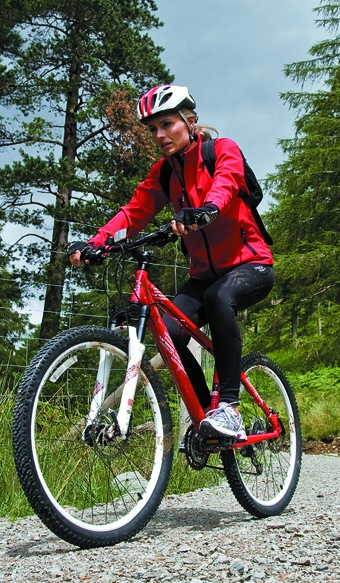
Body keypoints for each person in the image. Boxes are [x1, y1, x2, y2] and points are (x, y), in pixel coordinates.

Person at [68, 84, 274, 441]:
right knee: (169, 333)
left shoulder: (220, 150)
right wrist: (95, 242)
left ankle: (230, 408)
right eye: (153, 129)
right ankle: (206, 416)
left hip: (250, 265)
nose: (160, 135)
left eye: (167, 124)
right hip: (204, 276)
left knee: (220, 298)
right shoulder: (164, 173)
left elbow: (227, 183)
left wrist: (206, 209)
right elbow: (133, 213)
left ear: (190, 122)